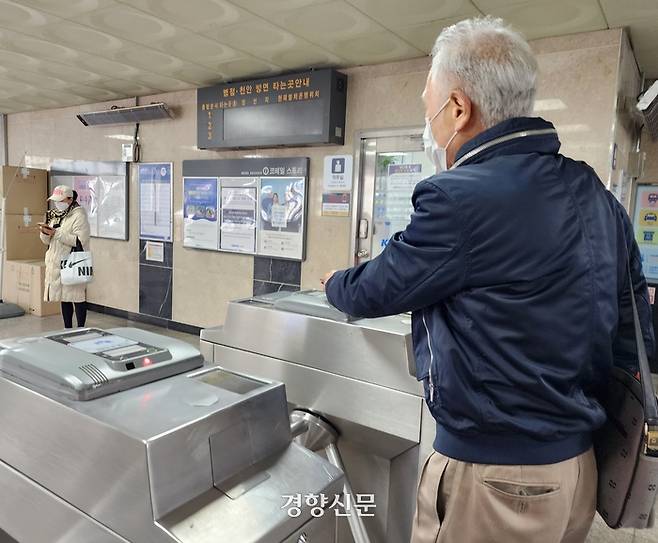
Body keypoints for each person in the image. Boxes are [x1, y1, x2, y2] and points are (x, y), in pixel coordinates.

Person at [322, 16, 654, 543]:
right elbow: (635, 322)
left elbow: (378, 288)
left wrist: (334, 281)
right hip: (580, 470)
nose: (428, 122)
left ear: (459, 108)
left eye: (429, 104)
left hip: (498, 481)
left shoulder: (457, 197)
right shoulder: (594, 192)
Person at [40, 185, 91, 329]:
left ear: (69, 199)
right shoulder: (54, 215)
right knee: (65, 297)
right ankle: (67, 328)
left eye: (60, 200)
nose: (57, 203)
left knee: (77, 297)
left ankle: (81, 328)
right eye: (55, 200)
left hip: (73, 262)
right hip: (57, 262)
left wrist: (56, 233)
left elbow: (80, 240)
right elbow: (47, 241)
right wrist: (45, 233)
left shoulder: (78, 215)